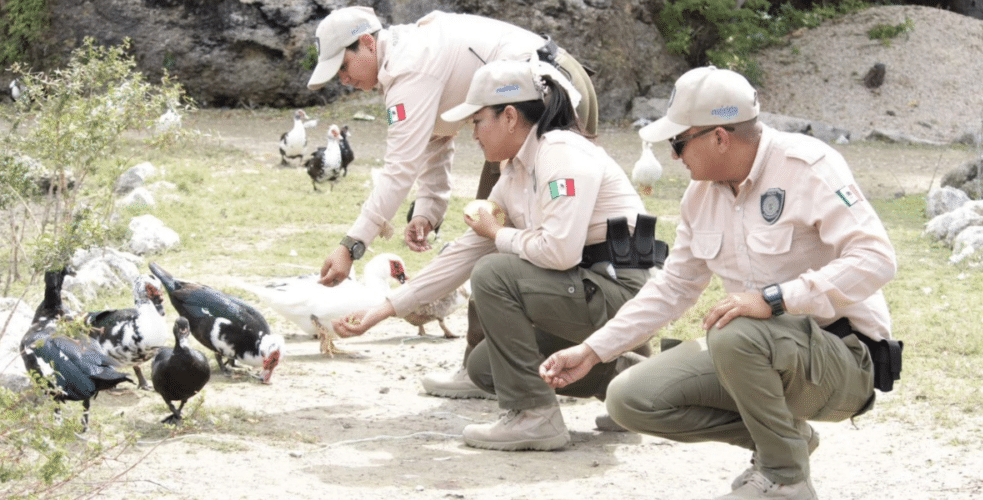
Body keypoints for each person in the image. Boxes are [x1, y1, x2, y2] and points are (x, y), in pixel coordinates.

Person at [540, 66, 900, 499]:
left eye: (678, 142)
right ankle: (786, 442)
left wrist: (775, 299)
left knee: (737, 331)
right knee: (629, 397)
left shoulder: (808, 166)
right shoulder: (700, 197)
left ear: (719, 137)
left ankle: (786, 480)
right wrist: (593, 350)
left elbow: (876, 258)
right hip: (756, 355)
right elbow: (672, 288)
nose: (674, 156)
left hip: (842, 358)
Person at [332, 59, 666, 451]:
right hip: (589, 292)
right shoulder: (517, 172)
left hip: (623, 293)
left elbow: (558, 252)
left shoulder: (561, 154)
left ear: (509, 116)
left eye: (477, 120)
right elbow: (463, 254)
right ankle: (634, 385)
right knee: (484, 367)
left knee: (494, 273)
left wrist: (499, 234)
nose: (473, 133)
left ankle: (535, 416)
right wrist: (384, 310)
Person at [307, 7, 601, 398]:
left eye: (343, 67)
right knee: (502, 228)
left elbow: (399, 169)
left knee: (498, 234)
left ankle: (492, 368)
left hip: (548, 94)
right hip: (545, 87)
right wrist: (429, 208)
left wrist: (352, 245)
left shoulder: (411, 65)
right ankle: (514, 361)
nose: (343, 80)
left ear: (366, 42)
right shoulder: (403, 62)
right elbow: (437, 137)